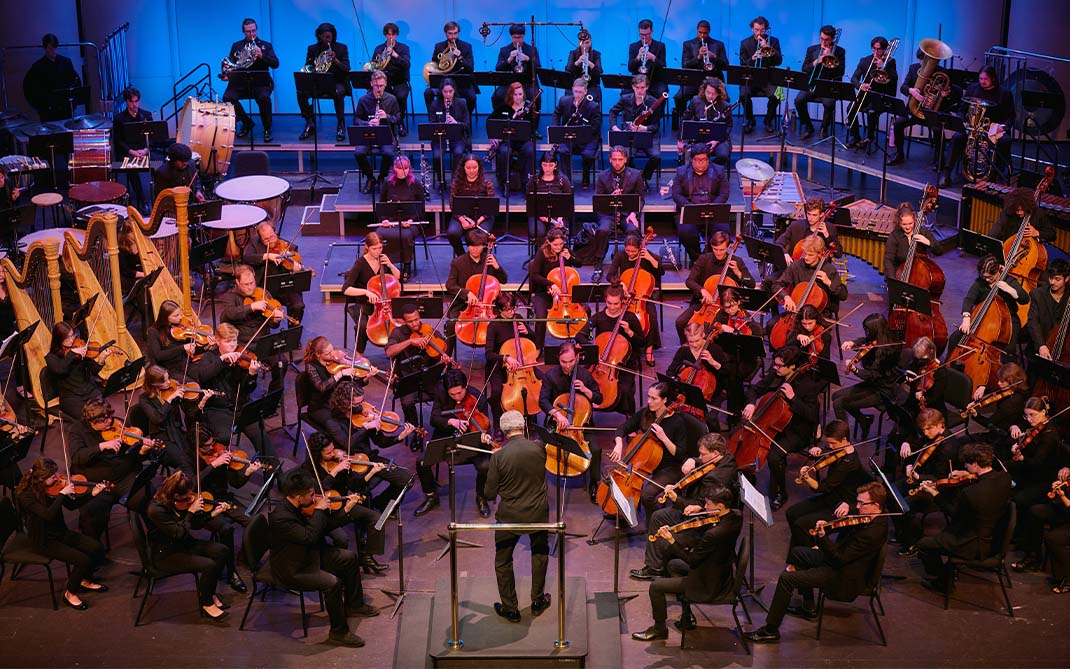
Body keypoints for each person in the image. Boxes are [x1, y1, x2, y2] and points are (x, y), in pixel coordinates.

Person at [743, 482, 888, 644]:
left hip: (844, 575)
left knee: (786, 579)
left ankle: (770, 630)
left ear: (876, 505)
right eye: (857, 501)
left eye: (862, 503)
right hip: (842, 563)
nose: (858, 506)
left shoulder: (872, 532)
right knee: (797, 552)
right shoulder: (872, 517)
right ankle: (808, 606)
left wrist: (822, 539)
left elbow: (839, 559)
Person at [268, 469, 378, 648]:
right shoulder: (281, 518)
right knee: (331, 583)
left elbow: (321, 529)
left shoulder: (298, 507)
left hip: (308, 555)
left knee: (349, 558)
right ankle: (338, 632)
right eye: (310, 495)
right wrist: (319, 511)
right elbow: (310, 536)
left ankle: (354, 605)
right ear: (297, 496)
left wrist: (346, 510)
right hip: (292, 568)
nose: (314, 498)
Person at [631, 486, 741, 641]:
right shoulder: (736, 516)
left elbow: (692, 560)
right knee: (673, 565)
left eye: (708, 504)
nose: (705, 507)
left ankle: (659, 629)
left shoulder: (713, 535)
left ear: (720, 506)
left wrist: (671, 539)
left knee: (655, 587)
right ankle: (687, 617)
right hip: (722, 573)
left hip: (707, 584)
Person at [630, 434, 740, 582]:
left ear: (715, 453)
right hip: (702, 509)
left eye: (702, 454)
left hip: (705, 522)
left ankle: (660, 566)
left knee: (663, 536)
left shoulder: (717, 478)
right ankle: (655, 567)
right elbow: (700, 463)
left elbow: (701, 506)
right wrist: (692, 460)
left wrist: (677, 499)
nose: (700, 457)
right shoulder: (726, 457)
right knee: (658, 516)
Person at [915, 442, 1013, 592]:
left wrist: (934, 494)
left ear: (974, 463)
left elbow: (953, 513)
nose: (965, 467)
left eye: (967, 464)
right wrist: (967, 475)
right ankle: (948, 573)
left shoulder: (970, 493)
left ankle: (943, 582)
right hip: (995, 536)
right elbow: (985, 481)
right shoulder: (1005, 478)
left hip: (974, 543)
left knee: (924, 545)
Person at [484, 410, 551, 622]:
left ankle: (510, 608)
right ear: (523, 427)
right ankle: (538, 600)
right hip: (537, 512)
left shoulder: (500, 456)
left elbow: (489, 493)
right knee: (539, 554)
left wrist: (496, 463)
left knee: (503, 561)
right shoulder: (539, 448)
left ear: (504, 431)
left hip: (510, 516)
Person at [16, 457, 107, 611]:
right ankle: (70, 594)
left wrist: (92, 493)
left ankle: (83, 580)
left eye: (56, 474)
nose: (58, 478)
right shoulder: (26, 496)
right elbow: (48, 515)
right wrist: (62, 494)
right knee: (83, 560)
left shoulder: (54, 488)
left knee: (96, 547)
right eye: (53, 477)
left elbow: (71, 506)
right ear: (41, 478)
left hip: (60, 532)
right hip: (44, 539)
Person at [743, 345, 825, 509]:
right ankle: (745, 473)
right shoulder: (776, 374)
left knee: (774, 455)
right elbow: (754, 389)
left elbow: (812, 415)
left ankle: (780, 493)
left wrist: (793, 398)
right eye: (775, 364)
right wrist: (751, 404)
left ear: (792, 366)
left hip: (798, 430)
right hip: (775, 423)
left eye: (780, 366)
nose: (775, 368)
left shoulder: (807, 385)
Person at [145, 471, 231, 620]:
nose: (191, 498)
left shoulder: (179, 502)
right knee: (209, 565)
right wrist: (191, 512)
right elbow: (178, 533)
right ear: (176, 496)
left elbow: (194, 526)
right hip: (167, 553)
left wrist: (212, 514)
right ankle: (206, 603)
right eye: (187, 497)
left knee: (222, 550)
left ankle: (208, 591)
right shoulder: (156, 510)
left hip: (183, 544)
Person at [69, 398, 157, 541]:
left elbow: (134, 456)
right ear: (91, 422)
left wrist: (142, 452)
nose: (110, 421)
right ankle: (93, 550)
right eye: (104, 420)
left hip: (124, 478)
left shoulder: (118, 424)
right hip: (97, 483)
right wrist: (101, 446)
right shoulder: (78, 430)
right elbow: (77, 457)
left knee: (149, 500)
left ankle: (157, 540)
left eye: (110, 416)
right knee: (91, 513)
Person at [610, 382, 695, 522]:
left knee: (647, 495)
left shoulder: (677, 422)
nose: (649, 401)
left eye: (654, 398)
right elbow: (623, 428)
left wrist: (664, 438)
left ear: (665, 400)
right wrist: (618, 444)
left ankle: (658, 523)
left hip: (669, 467)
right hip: (646, 462)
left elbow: (680, 453)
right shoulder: (646, 413)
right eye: (648, 397)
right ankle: (622, 513)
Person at [414, 368, 493, 517]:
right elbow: (434, 418)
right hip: (446, 436)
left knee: (485, 466)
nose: (457, 397)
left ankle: (481, 496)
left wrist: (484, 436)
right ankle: (431, 495)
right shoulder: (441, 392)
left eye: (460, 393)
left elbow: (486, 425)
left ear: (466, 386)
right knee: (422, 462)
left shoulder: (478, 398)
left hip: (472, 438)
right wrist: (450, 421)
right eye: (453, 394)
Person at [190, 424, 260, 593]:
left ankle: (244, 557)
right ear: (197, 447)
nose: (213, 448)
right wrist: (213, 466)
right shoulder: (189, 458)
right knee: (226, 529)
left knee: (253, 521)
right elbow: (192, 483)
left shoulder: (219, 450)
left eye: (212, 443)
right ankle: (231, 572)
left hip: (223, 497)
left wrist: (248, 472)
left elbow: (235, 483)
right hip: (204, 502)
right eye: (207, 446)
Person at [191, 323, 273, 458]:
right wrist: (222, 360)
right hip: (218, 409)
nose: (233, 345)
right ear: (217, 341)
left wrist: (252, 375)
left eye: (234, 340)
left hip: (241, 406)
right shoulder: (209, 358)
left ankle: (273, 472)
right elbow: (203, 376)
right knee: (223, 438)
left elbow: (248, 389)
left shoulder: (241, 359)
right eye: (228, 341)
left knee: (261, 436)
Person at [785, 421, 870, 551]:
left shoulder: (848, 463)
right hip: (831, 496)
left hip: (841, 503)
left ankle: (811, 551)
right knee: (792, 513)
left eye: (833, 443)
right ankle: (808, 547)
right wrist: (819, 450)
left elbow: (822, 487)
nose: (830, 446)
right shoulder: (839, 449)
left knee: (801, 524)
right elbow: (827, 452)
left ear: (845, 439)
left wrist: (807, 478)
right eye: (828, 443)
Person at [538, 340, 603, 500]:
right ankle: (539, 486)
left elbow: (599, 398)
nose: (567, 366)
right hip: (557, 423)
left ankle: (594, 483)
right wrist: (557, 414)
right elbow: (543, 400)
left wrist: (586, 390)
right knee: (539, 448)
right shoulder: (550, 375)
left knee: (595, 450)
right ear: (558, 359)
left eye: (571, 361)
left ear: (577, 358)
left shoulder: (585, 375)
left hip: (582, 424)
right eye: (563, 362)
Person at [893, 408, 963, 555]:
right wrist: (908, 462)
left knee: (905, 504)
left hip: (937, 488)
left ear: (940, 424)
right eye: (923, 429)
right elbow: (916, 446)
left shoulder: (948, 447)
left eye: (929, 429)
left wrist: (919, 477)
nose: (925, 433)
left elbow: (939, 477)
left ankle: (912, 543)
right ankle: (902, 532)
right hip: (921, 478)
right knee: (891, 491)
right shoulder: (930, 436)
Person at [384, 302, 452, 445]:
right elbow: (389, 351)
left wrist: (443, 360)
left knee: (446, 395)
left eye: (416, 319)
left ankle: (443, 429)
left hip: (429, 379)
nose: (415, 324)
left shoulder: (429, 330)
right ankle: (415, 431)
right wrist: (410, 341)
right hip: (409, 380)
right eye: (410, 321)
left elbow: (441, 354)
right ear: (404, 321)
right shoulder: (398, 333)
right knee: (407, 402)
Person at [578, 284, 646, 416]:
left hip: (623, 363)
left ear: (622, 301)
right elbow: (579, 335)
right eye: (609, 303)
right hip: (600, 360)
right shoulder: (599, 317)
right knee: (583, 383)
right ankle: (586, 415)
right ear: (605, 300)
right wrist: (594, 351)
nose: (612, 307)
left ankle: (629, 417)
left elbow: (642, 342)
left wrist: (629, 331)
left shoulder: (630, 318)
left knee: (625, 389)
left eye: (616, 304)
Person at [674, 231, 756, 340]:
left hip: (729, 308)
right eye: (715, 249)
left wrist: (738, 273)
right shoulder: (704, 259)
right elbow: (690, 281)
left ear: (728, 247)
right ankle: (689, 350)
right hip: (705, 305)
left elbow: (751, 283)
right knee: (680, 322)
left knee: (754, 329)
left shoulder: (737, 261)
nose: (718, 253)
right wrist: (702, 290)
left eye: (721, 250)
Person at [945, 66, 1015, 186]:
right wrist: (962, 120)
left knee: (1005, 141)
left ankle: (999, 174)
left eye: (985, 79)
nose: (982, 81)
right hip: (973, 126)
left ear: (993, 79)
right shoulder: (972, 88)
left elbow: (1011, 116)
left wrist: (1003, 127)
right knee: (957, 137)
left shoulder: (1004, 93)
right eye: (981, 78)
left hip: (993, 128)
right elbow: (962, 109)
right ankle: (946, 174)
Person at [219, 264, 286, 390]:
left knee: (281, 363)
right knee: (244, 372)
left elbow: (272, 324)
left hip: (263, 340)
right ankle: (244, 398)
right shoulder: (230, 297)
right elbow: (228, 315)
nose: (250, 287)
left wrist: (275, 320)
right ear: (237, 282)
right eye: (246, 284)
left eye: (252, 283)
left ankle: (273, 395)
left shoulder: (263, 293)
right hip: (244, 343)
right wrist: (251, 307)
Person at [834, 314, 902, 437]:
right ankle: (863, 420)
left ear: (876, 330)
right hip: (872, 385)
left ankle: (843, 441)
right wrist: (852, 343)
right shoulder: (878, 339)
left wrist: (855, 369)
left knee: (839, 403)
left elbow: (872, 375)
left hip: (882, 391)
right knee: (836, 396)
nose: (866, 332)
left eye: (867, 330)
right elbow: (865, 341)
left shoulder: (887, 351)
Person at [951, 254, 1029, 357]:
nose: (986, 280)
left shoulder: (1009, 281)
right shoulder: (981, 282)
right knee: (955, 338)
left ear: (997, 271)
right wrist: (966, 317)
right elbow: (969, 299)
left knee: (1007, 352)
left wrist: (1012, 291)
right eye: (984, 277)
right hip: (984, 317)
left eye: (990, 277)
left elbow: (1025, 299)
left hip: (1008, 321)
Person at [444, 229, 507, 355]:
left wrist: (497, 267)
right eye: (472, 246)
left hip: (486, 305)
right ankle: (447, 359)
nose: (475, 249)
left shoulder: (489, 260)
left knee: (500, 324)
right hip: (464, 304)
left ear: (483, 246)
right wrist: (466, 293)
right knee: (451, 324)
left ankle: (496, 359)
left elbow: (504, 280)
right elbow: (449, 285)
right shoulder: (458, 262)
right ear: (468, 246)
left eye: (478, 246)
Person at [888, 49, 953, 166]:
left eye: (927, 61)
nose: (923, 63)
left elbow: (953, 93)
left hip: (932, 112)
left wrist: (946, 94)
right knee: (898, 124)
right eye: (922, 60)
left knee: (938, 130)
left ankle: (940, 160)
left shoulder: (943, 72)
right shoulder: (913, 68)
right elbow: (903, 87)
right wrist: (911, 91)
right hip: (915, 110)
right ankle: (899, 154)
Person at [484, 293, 539, 428]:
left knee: (542, 382)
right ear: (500, 309)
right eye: (508, 309)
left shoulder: (518, 318)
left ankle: (530, 415)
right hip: (500, 366)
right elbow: (489, 354)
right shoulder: (493, 326)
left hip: (522, 365)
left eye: (513, 308)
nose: (512, 312)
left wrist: (528, 332)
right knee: (496, 392)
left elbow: (534, 340)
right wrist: (506, 358)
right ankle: (497, 423)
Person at [608, 233, 665, 364]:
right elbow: (610, 274)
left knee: (651, 316)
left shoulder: (647, 255)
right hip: (625, 296)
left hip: (642, 298)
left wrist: (650, 259)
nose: (630, 254)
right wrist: (619, 282)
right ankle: (617, 344)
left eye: (633, 251)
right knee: (613, 312)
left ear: (640, 248)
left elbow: (661, 271)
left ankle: (649, 349)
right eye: (627, 250)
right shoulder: (620, 255)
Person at [342, 232, 402, 353]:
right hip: (365, 305)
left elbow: (397, 277)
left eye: (380, 248)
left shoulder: (383, 260)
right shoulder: (360, 264)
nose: (378, 251)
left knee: (401, 325)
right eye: (374, 249)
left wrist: (390, 265)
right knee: (363, 326)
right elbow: (346, 289)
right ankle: (359, 355)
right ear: (367, 247)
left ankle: (395, 352)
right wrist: (366, 292)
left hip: (385, 306)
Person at [221, 18, 278, 142]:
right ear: (243, 32)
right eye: (248, 31)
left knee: (263, 98)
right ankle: (246, 122)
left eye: (253, 31)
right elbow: (231, 64)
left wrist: (262, 55)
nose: (252, 34)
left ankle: (267, 129)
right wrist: (227, 75)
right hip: (241, 82)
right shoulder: (237, 46)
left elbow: (275, 64)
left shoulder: (265, 45)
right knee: (228, 98)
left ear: (256, 30)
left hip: (260, 83)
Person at [670, 145, 730, 264]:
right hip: (689, 211)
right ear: (692, 160)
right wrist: (689, 207)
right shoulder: (681, 171)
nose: (700, 163)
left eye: (704, 160)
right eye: (697, 160)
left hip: (713, 210)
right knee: (686, 232)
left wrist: (712, 207)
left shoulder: (719, 171)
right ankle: (697, 258)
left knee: (722, 231)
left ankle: (708, 256)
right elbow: (676, 194)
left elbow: (724, 194)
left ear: (709, 160)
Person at [137, 364, 200, 476]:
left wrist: (201, 400)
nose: (169, 383)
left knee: (196, 457)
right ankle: (188, 487)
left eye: (167, 378)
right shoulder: (144, 399)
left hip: (177, 431)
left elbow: (189, 412)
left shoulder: (173, 386)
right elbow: (157, 418)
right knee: (185, 462)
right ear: (153, 384)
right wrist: (170, 399)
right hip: (162, 438)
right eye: (164, 382)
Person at [589, 146, 646, 265]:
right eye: (614, 159)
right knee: (603, 230)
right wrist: (611, 197)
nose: (617, 162)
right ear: (610, 160)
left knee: (633, 230)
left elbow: (640, 199)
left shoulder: (636, 175)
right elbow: (599, 201)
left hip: (628, 214)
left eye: (620, 159)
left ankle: (628, 261)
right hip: (608, 214)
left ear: (625, 159)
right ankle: (598, 261)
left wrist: (633, 214)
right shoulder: (603, 176)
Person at [242, 220, 307, 323]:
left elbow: (299, 267)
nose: (270, 241)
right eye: (266, 239)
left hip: (286, 286)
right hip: (265, 287)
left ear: (275, 232)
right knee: (260, 309)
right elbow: (247, 258)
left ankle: (294, 330)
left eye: (272, 237)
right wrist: (267, 256)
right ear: (260, 238)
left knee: (298, 306)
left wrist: (296, 268)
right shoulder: (254, 244)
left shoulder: (288, 246)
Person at [44, 321, 112, 419]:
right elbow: (60, 370)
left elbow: (94, 371)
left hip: (89, 391)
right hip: (71, 397)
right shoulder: (51, 358)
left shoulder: (79, 350)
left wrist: (102, 359)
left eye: (73, 335)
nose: (72, 340)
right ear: (59, 339)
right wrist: (71, 353)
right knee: (89, 418)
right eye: (68, 337)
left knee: (105, 413)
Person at [1016, 467, 1070, 588]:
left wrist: (1063, 496)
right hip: (1065, 507)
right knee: (1035, 512)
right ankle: (1033, 557)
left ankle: (1065, 576)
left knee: (1053, 537)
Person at [527, 229, 580, 350]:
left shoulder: (565, 249)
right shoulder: (542, 252)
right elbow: (534, 275)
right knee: (541, 317)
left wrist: (570, 257)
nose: (559, 247)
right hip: (544, 292)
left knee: (583, 312)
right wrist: (551, 284)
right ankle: (538, 347)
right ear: (549, 242)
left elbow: (580, 263)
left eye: (561, 244)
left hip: (565, 294)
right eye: (555, 245)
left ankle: (579, 344)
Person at [296, 23, 350, 142]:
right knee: (300, 93)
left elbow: (346, 68)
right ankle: (310, 122)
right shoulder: (312, 49)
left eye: (329, 37)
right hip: (319, 82)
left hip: (337, 81)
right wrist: (315, 67)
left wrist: (335, 60)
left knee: (339, 93)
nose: (327, 40)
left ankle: (341, 124)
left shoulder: (341, 48)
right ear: (319, 36)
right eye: (324, 37)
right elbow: (308, 67)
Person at [777, 235, 848, 319]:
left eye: (810, 255)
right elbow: (777, 285)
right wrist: (786, 296)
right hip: (797, 312)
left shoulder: (829, 270)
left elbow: (844, 295)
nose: (806, 257)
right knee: (771, 325)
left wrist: (829, 282)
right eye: (805, 254)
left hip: (819, 316)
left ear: (820, 254)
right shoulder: (796, 266)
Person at [795, 25, 846, 140]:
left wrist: (831, 57)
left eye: (826, 40)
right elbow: (804, 69)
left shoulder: (840, 52)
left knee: (829, 103)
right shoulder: (812, 49)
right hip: (812, 84)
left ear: (832, 39)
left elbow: (840, 72)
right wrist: (816, 62)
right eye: (821, 39)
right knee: (798, 100)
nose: (823, 42)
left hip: (829, 87)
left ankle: (824, 128)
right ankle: (808, 126)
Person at [846, 36, 899, 150]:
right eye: (874, 49)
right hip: (866, 93)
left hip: (880, 96)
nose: (876, 52)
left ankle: (870, 138)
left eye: (879, 49)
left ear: (884, 49)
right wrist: (861, 85)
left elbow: (894, 79)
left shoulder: (890, 62)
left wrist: (883, 68)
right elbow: (854, 78)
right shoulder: (864, 60)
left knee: (872, 111)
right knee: (850, 109)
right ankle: (855, 137)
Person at [353, 70, 400, 193]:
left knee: (389, 153)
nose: (378, 89)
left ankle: (381, 177)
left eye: (381, 85)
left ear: (385, 84)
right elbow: (356, 119)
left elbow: (398, 118)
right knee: (358, 153)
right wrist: (367, 123)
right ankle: (370, 178)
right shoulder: (364, 100)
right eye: (376, 85)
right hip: (368, 133)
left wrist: (387, 117)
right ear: (371, 84)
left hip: (385, 133)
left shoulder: (392, 99)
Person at [609, 75, 662, 184]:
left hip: (647, 136)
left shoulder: (654, 102)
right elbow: (612, 112)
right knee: (626, 156)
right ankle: (634, 178)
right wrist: (614, 127)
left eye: (642, 88)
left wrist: (645, 128)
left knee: (656, 156)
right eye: (637, 87)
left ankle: (644, 177)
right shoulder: (625, 99)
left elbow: (656, 126)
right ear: (633, 87)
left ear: (647, 87)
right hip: (629, 135)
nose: (640, 91)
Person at [374, 159, 421, 280]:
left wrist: (411, 221)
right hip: (391, 222)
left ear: (409, 169)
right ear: (394, 168)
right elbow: (382, 206)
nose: (402, 171)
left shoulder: (415, 184)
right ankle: (385, 265)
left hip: (410, 223)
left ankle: (406, 266)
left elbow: (421, 209)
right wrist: (384, 220)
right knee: (379, 234)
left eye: (405, 168)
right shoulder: (387, 183)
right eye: (399, 168)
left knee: (405, 236)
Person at [488, 81, 537, 195]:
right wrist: (492, 136)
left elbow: (534, 128)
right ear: (510, 95)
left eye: (520, 94)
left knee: (530, 150)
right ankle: (505, 183)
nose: (518, 97)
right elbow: (490, 121)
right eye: (515, 94)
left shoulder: (529, 108)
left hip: (523, 140)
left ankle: (527, 184)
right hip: (507, 141)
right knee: (505, 152)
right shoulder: (503, 107)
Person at [550, 79, 600, 189]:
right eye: (576, 91)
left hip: (587, 139)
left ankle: (585, 178)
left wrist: (581, 132)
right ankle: (566, 180)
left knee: (588, 154)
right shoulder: (564, 101)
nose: (577, 94)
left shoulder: (593, 106)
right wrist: (557, 128)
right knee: (563, 151)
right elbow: (556, 114)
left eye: (580, 92)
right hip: (568, 137)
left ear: (585, 91)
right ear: (572, 90)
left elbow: (595, 127)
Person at [22, 33, 81, 122]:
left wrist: (73, 103)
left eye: (54, 47)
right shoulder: (38, 67)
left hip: (65, 109)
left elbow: (76, 82)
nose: (53, 50)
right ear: (45, 48)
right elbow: (29, 89)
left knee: (67, 132)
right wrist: (40, 107)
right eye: (50, 48)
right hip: (48, 111)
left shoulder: (65, 62)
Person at [676, 20, 729, 118]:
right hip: (694, 81)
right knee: (679, 97)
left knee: (725, 100)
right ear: (697, 31)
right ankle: (684, 119)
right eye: (700, 32)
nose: (702, 35)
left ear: (709, 32)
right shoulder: (688, 44)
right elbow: (685, 65)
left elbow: (726, 65)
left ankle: (719, 120)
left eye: (705, 33)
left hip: (714, 81)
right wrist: (698, 57)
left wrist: (714, 57)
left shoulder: (718, 44)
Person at [738, 17, 782, 134]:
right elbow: (743, 64)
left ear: (766, 30)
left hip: (768, 79)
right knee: (743, 95)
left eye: (762, 30)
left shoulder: (774, 41)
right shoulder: (745, 43)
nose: (759, 33)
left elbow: (778, 61)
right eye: (756, 30)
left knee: (776, 96)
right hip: (751, 78)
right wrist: (752, 59)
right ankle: (750, 120)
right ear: (752, 29)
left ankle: (768, 121)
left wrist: (768, 48)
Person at [111, 86, 153, 208]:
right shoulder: (119, 118)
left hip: (143, 150)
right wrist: (133, 152)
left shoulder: (146, 115)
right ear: (126, 102)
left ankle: (157, 198)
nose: (134, 105)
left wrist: (145, 150)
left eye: (136, 101)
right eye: (131, 101)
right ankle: (142, 200)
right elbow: (118, 141)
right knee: (131, 166)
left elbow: (152, 137)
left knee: (160, 164)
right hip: (128, 151)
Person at [422, 21, 477, 113]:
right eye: (450, 34)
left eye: (455, 33)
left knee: (472, 97)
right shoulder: (439, 46)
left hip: (461, 81)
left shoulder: (466, 47)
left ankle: (465, 118)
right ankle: (433, 118)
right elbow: (435, 64)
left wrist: (460, 57)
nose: (453, 36)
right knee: (428, 93)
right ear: (446, 33)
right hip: (443, 81)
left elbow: (470, 67)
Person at [446, 154, 495, 257]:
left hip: (483, 217)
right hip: (461, 216)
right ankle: (462, 257)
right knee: (452, 233)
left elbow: (490, 207)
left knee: (479, 235)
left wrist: (478, 221)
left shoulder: (487, 183)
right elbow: (452, 205)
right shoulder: (457, 183)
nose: (472, 171)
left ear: (479, 168)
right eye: (468, 168)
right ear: (463, 168)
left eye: (474, 168)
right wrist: (463, 220)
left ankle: (481, 259)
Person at [678, 77, 733, 166]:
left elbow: (729, 126)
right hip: (699, 138)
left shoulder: (725, 106)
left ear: (719, 94)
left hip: (719, 139)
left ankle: (710, 170)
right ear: (704, 90)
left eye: (714, 94)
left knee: (723, 155)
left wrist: (717, 140)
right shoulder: (695, 101)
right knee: (693, 154)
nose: (710, 96)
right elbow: (684, 119)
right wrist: (680, 140)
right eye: (708, 92)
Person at [428, 78, 471, 190]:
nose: (448, 95)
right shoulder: (435, 104)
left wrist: (456, 123)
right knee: (437, 155)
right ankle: (441, 181)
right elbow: (431, 124)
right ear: (441, 92)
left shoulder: (461, 103)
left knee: (458, 152)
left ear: (454, 91)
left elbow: (467, 124)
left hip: (457, 137)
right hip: (440, 138)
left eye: (450, 91)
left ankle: (455, 181)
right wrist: (442, 124)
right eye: (445, 92)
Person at [371, 23, 411, 136]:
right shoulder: (379, 49)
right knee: (374, 94)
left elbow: (407, 65)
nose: (391, 37)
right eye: (388, 34)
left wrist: (395, 55)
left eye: (393, 34)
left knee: (401, 96)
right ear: (385, 35)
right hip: (383, 83)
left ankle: (400, 121)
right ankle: (381, 121)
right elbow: (374, 65)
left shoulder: (404, 48)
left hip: (399, 81)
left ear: (397, 34)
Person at [883, 201, 940, 279]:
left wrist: (928, 242)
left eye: (910, 223)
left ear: (914, 220)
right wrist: (892, 280)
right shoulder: (895, 235)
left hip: (920, 275)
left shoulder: (922, 231)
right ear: (899, 223)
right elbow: (889, 260)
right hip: (900, 274)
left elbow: (939, 251)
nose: (907, 227)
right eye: (904, 224)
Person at [775, 197, 841, 265]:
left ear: (821, 214)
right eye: (808, 214)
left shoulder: (830, 228)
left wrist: (827, 236)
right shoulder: (796, 226)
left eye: (814, 215)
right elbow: (778, 243)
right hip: (795, 267)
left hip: (817, 270)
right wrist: (785, 254)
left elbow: (838, 254)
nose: (810, 218)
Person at [525, 151, 573, 243]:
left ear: (555, 165)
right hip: (538, 214)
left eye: (550, 165)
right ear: (541, 165)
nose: (547, 169)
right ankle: (539, 255)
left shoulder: (563, 180)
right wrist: (539, 215)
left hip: (557, 215)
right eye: (544, 165)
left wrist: (560, 217)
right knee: (537, 232)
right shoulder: (534, 180)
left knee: (557, 232)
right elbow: (529, 201)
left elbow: (568, 202)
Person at [1028, 259, 1068, 358]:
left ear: (1067, 279)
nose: (1052, 282)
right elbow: (1033, 322)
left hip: (1065, 350)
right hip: (1041, 345)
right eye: (1051, 278)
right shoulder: (1037, 294)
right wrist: (1041, 345)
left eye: (1057, 279)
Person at [989, 186, 1056, 244]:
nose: (1019, 212)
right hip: (1008, 249)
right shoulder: (1009, 211)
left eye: (1022, 209)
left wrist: (1037, 232)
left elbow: (1052, 234)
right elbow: (997, 229)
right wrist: (989, 240)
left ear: (1028, 206)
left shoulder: (1038, 213)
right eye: (1017, 210)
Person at [494, 24, 540, 104]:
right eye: (515, 37)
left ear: (524, 36)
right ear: (511, 36)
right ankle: (501, 116)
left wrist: (528, 59)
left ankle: (535, 116)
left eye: (520, 37)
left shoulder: (532, 49)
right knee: (497, 96)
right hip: (509, 84)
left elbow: (538, 68)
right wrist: (509, 59)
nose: (517, 40)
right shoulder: (504, 50)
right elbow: (498, 68)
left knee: (536, 96)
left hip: (527, 83)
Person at [627, 19, 668, 97]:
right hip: (638, 80)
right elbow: (630, 68)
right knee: (625, 92)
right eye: (641, 34)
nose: (644, 37)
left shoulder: (660, 46)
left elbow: (663, 67)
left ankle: (657, 109)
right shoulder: (633, 46)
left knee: (661, 92)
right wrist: (638, 57)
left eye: (646, 34)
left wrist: (653, 58)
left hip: (655, 80)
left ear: (652, 31)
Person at [564, 30, 603, 102]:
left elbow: (599, 72)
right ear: (579, 43)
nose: (585, 45)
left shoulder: (596, 54)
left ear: (591, 42)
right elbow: (568, 70)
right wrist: (577, 62)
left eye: (587, 43)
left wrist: (589, 63)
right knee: (569, 98)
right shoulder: (573, 53)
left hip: (591, 86)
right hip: (576, 85)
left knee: (592, 98)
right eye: (582, 43)